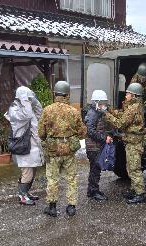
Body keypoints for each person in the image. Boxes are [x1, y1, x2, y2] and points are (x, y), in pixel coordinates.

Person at [38, 81, 86, 217]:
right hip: (69, 150)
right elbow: (82, 132)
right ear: (67, 95)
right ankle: (71, 207)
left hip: (53, 151)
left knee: (52, 178)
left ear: (55, 94)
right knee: (71, 178)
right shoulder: (74, 111)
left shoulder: (47, 110)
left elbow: (41, 133)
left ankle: (52, 207)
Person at [104, 83, 146, 204]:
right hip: (132, 142)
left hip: (134, 143)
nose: (126, 95)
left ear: (134, 95)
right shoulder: (134, 106)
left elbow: (120, 124)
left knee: (134, 169)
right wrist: (110, 110)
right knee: (130, 167)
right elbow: (122, 115)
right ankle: (134, 190)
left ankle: (140, 194)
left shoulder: (133, 108)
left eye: (128, 93)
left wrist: (106, 115)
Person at [5, 86, 43, 206]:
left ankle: (26, 192)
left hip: (32, 146)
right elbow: (27, 116)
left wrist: (34, 101)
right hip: (24, 146)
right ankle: (22, 196)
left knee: (32, 171)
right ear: (22, 97)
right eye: (27, 98)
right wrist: (25, 99)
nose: (29, 100)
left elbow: (40, 112)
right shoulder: (15, 110)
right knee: (27, 172)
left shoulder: (25, 107)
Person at [85, 90, 113, 201]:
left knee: (95, 169)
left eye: (104, 103)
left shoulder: (97, 112)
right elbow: (90, 131)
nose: (104, 105)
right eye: (102, 103)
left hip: (96, 146)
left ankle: (92, 190)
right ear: (96, 102)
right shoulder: (92, 114)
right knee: (95, 170)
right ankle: (93, 191)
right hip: (93, 147)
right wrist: (104, 138)